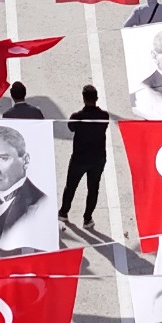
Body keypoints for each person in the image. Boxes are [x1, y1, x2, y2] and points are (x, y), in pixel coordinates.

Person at [61, 84, 109, 228]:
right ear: (97, 98)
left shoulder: (77, 117)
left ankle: (64, 212)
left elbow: (71, 127)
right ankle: (87, 218)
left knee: (70, 186)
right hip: (97, 159)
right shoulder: (104, 116)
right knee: (93, 189)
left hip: (79, 158)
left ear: (83, 99)